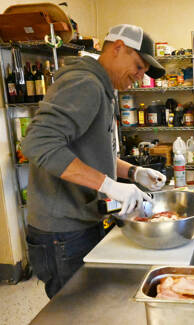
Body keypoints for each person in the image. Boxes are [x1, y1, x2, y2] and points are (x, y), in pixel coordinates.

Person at [21, 24, 166, 298]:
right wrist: (110, 185)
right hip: (62, 232)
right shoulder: (84, 83)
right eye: (138, 66)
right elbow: (38, 143)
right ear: (118, 48)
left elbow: (91, 152)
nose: (139, 76)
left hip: (82, 221)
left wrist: (133, 172)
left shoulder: (104, 86)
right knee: (74, 311)